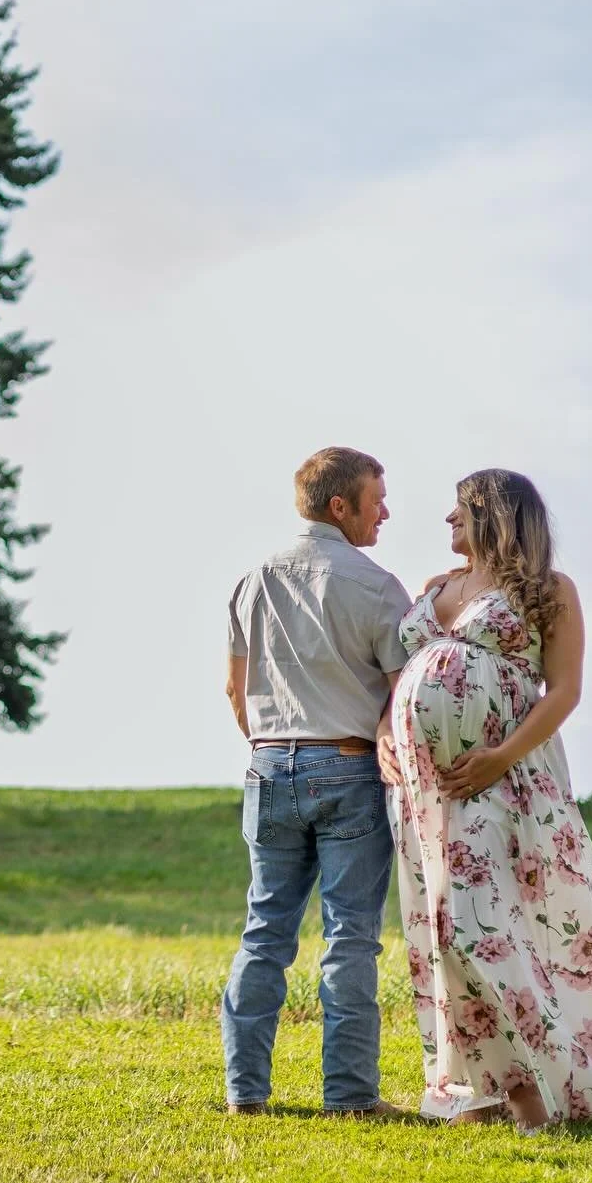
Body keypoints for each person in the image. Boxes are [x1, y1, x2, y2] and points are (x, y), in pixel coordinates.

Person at [388, 469, 592, 1132]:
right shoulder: (436, 587)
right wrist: (389, 728)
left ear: (495, 514)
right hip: (427, 794)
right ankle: (486, 1087)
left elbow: (564, 692)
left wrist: (499, 756)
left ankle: (533, 1091)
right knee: (442, 932)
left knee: (480, 927)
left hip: (506, 782)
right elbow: (402, 676)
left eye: (459, 510)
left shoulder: (549, 590)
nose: (446, 522)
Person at [223, 447, 412, 1116]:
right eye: (376, 498)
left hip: (268, 763)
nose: (385, 511)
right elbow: (403, 700)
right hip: (350, 766)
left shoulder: (254, 579)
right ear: (341, 505)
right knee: (350, 936)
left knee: (264, 931)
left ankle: (245, 1093)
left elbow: (234, 689)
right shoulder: (378, 586)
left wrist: (274, 746)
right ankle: (351, 1096)